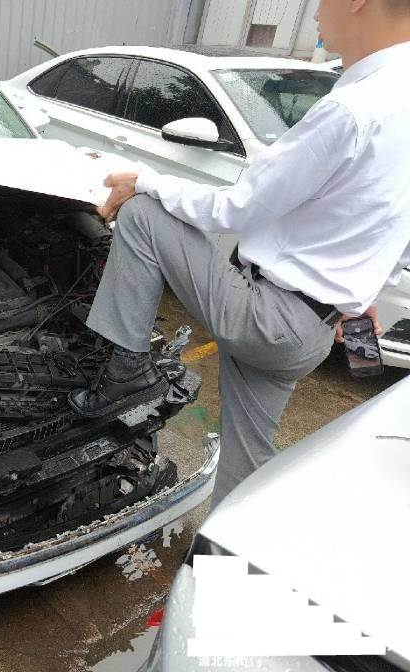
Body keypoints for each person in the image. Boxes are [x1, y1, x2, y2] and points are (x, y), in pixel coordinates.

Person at [69, 0, 410, 506]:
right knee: (244, 470)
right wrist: (360, 300)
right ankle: (228, 551)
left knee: (141, 213)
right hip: (312, 334)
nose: (316, 11)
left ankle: (127, 373)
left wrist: (146, 180)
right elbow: (397, 230)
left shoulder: (352, 109)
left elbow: (236, 208)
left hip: (267, 319)